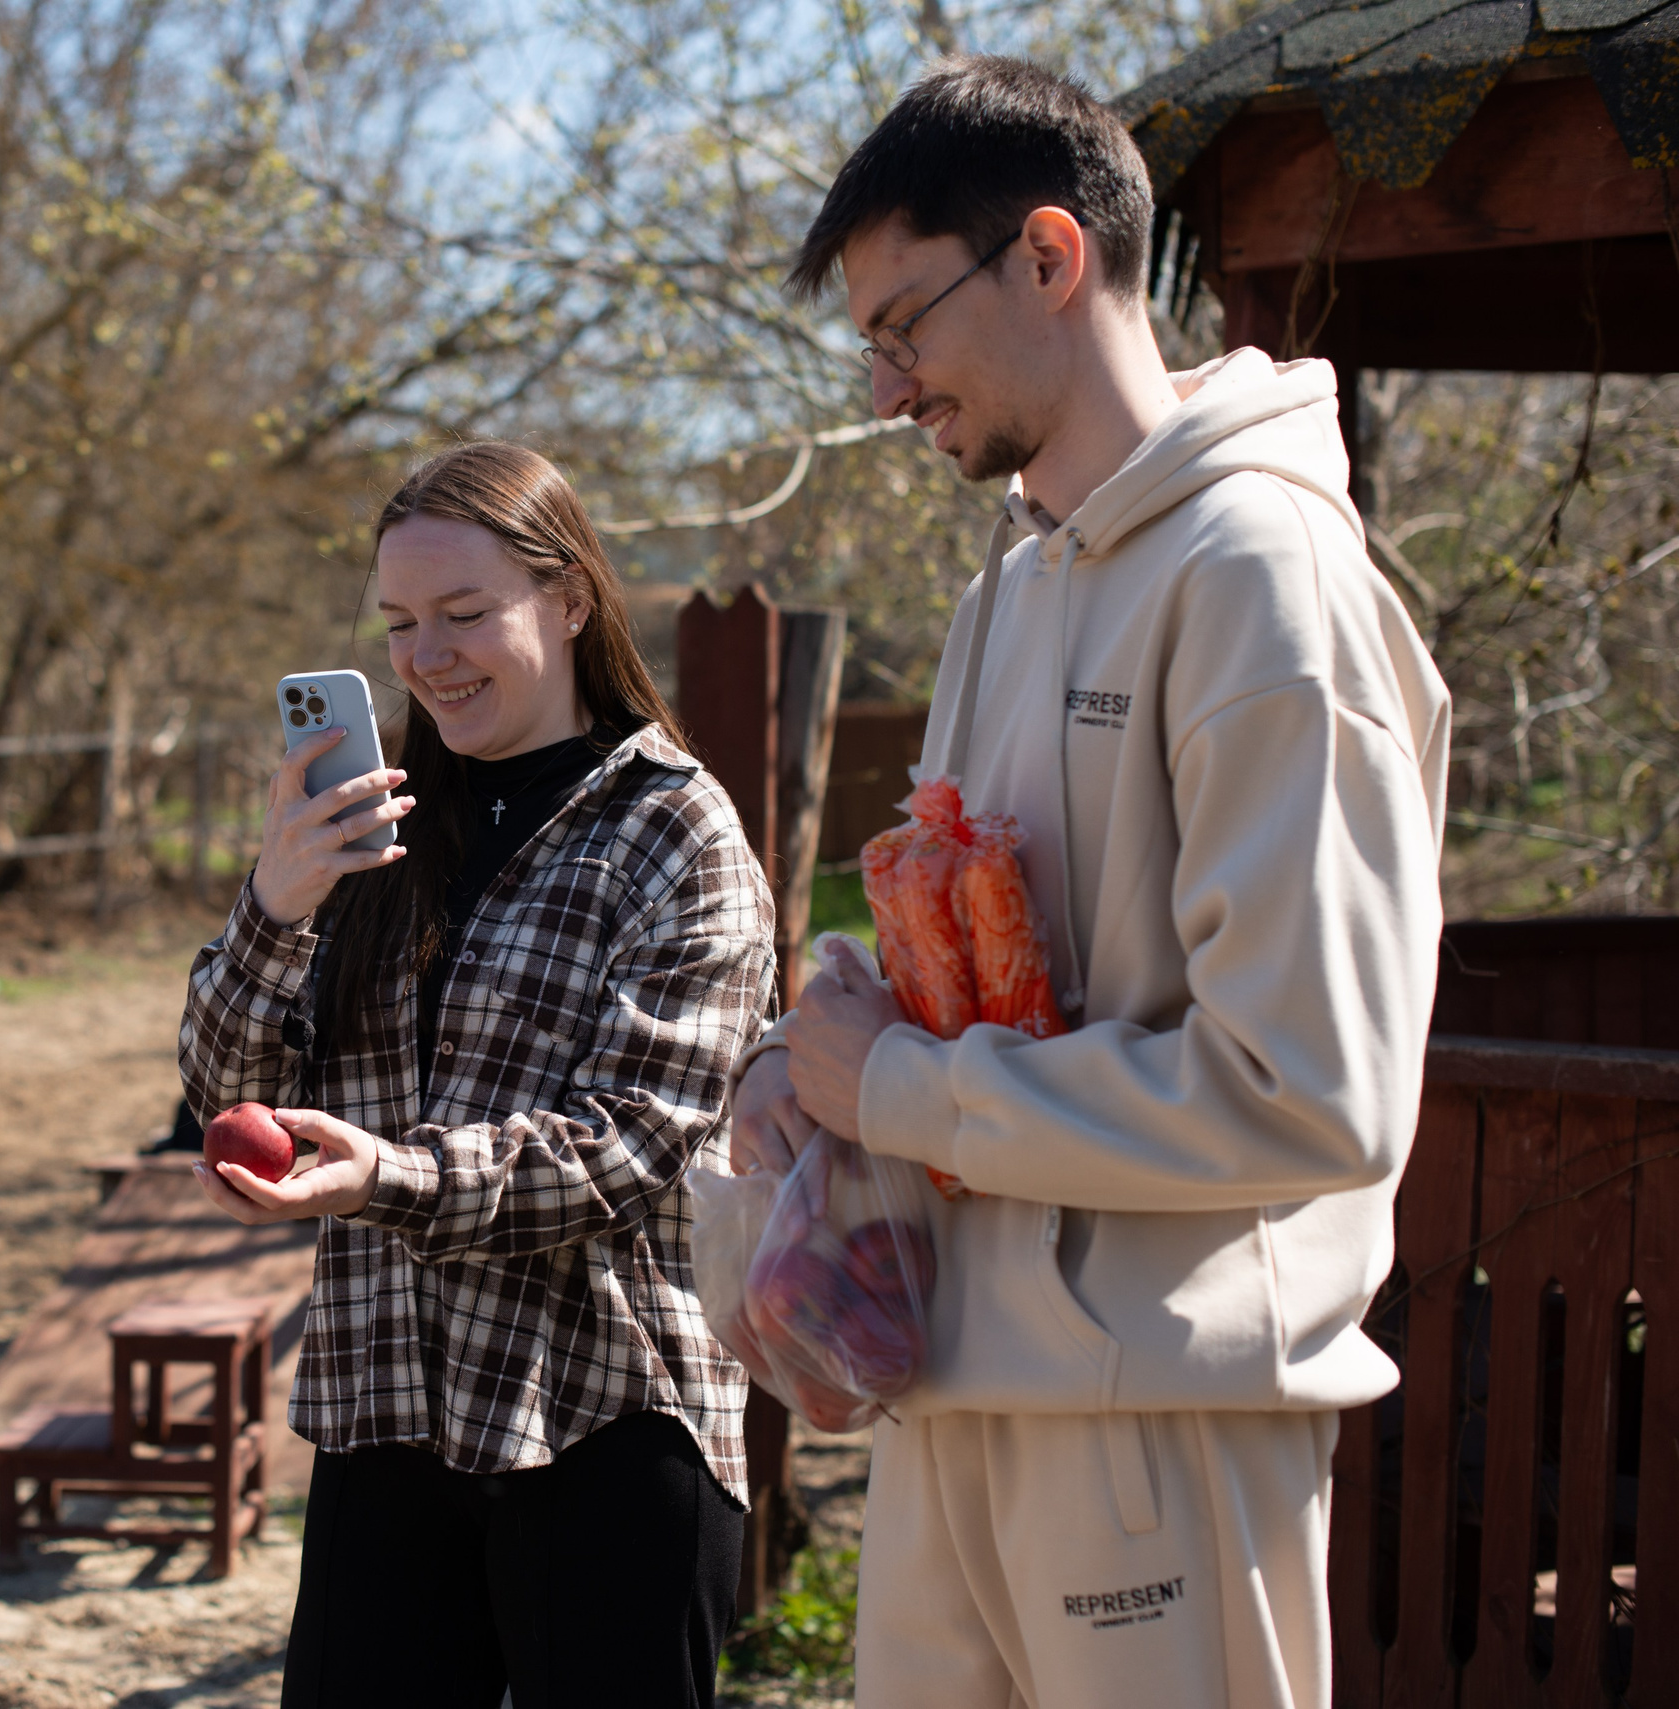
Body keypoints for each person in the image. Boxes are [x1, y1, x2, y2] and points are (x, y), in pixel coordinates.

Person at [729, 57, 1450, 1709]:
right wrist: (827, 1052)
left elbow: (1313, 1093)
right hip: (954, 1400)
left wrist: (905, 1085)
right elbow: (997, 966)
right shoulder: (1009, 588)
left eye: (905, 326)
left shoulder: (1265, 580)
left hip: (1158, 1419)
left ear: (1051, 256)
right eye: (870, 343)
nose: (887, 386)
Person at [179, 441, 774, 1709]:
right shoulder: (371, 826)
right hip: (384, 1398)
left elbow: (628, 1141)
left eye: (464, 613)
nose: (425, 655)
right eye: (397, 622)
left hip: (607, 1411)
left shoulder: (674, 830)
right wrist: (276, 902)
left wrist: (384, 1175)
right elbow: (220, 1078)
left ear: (569, 600)